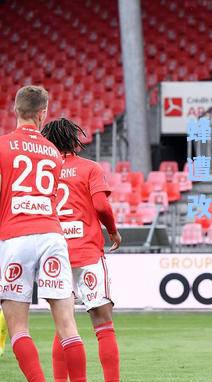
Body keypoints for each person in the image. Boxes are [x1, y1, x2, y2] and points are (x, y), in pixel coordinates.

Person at [0, 86, 87, 381]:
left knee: (19, 329)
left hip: (15, 237)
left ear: (15, 110)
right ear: (43, 113)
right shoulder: (53, 152)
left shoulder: (3, 146)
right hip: (52, 235)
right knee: (67, 326)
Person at [42, 118, 122, 382]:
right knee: (103, 324)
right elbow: (101, 206)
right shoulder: (89, 168)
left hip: (55, 254)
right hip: (87, 253)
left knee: (63, 326)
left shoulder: (42, 171)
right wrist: (112, 230)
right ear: (74, 140)